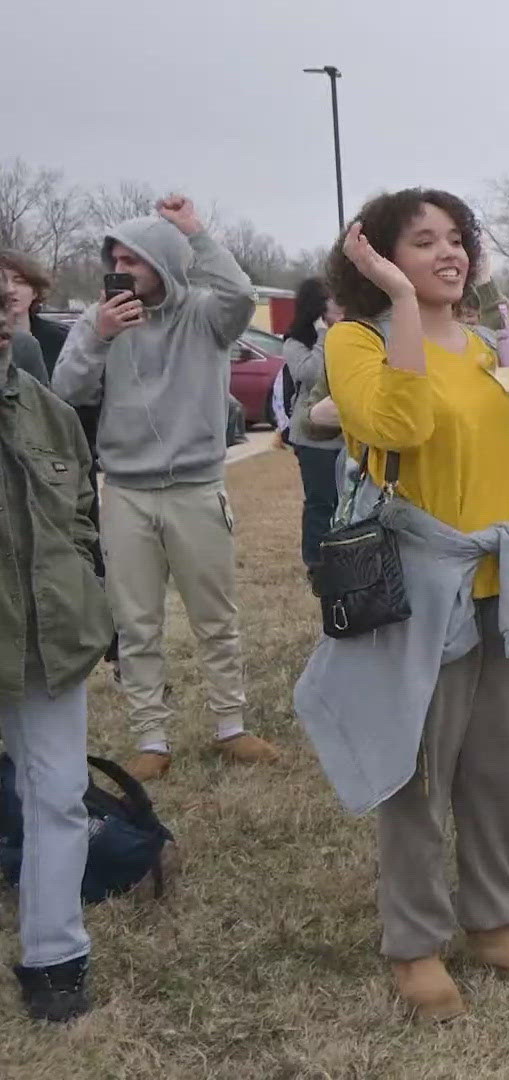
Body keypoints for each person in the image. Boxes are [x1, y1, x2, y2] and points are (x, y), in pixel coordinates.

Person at [296, 190, 509, 1021]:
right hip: (422, 588)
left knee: (499, 768)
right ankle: (415, 943)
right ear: (377, 256)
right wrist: (397, 307)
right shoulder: (357, 341)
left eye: (456, 238)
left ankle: (495, 920)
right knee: (416, 773)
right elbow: (399, 425)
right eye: (422, 242)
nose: (448, 252)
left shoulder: (491, 345)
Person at [51, 194, 278, 781]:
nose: (123, 271)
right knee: (136, 623)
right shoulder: (99, 320)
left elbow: (241, 297)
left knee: (215, 617)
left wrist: (197, 234)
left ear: (164, 262)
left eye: (136, 260)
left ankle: (231, 726)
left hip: (198, 488)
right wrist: (97, 336)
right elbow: (66, 390)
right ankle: (151, 737)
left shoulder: (205, 315)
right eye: (116, 260)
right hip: (125, 491)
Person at [0, 323, 113, 1023]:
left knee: (61, 794)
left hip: (48, 640)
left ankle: (55, 956)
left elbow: (79, 519)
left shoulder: (51, 413)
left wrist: (79, 591)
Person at [281, 276, 346, 578]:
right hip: (312, 437)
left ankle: (343, 556)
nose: (339, 307)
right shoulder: (295, 342)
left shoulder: (347, 335)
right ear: (318, 310)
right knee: (321, 501)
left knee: (344, 501)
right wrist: (323, 337)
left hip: (344, 434)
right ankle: (316, 562)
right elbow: (309, 374)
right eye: (332, 302)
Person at [0, 251, 53, 384]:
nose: (10, 289)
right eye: (2, 281)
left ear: (35, 291)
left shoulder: (60, 339)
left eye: (19, 281)